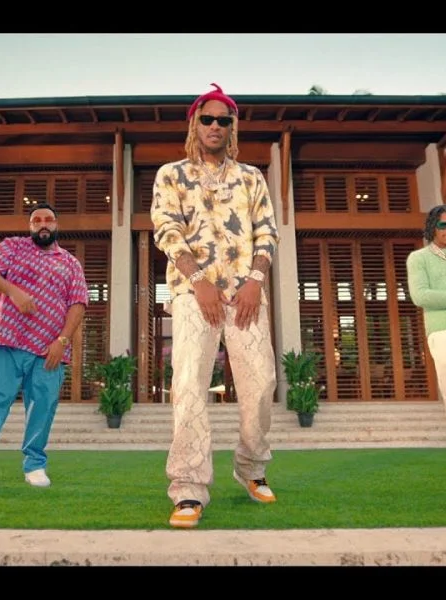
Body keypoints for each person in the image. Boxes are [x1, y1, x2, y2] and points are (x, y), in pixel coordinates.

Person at [150, 83, 281, 528]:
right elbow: (166, 229)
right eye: (207, 118)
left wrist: (256, 281)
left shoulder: (251, 177)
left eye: (224, 120)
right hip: (194, 295)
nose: (215, 126)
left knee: (261, 384)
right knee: (189, 386)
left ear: (232, 128)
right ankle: (188, 488)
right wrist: (199, 281)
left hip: (246, 295)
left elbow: (267, 231)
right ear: (195, 124)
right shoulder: (171, 174)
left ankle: (251, 467)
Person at [0, 202, 88, 488]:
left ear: (56, 225)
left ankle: (35, 464)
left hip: (49, 350)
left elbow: (78, 304)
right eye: (37, 220)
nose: (43, 224)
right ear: (30, 226)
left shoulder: (70, 263)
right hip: (5, 340)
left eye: (48, 219)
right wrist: (13, 291)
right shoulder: (12, 247)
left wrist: (62, 340)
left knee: (43, 407)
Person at [407, 204, 446, 477]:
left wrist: (445, 298)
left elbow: (435, 296)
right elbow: (422, 296)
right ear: (433, 227)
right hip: (442, 335)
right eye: (444, 225)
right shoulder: (419, 259)